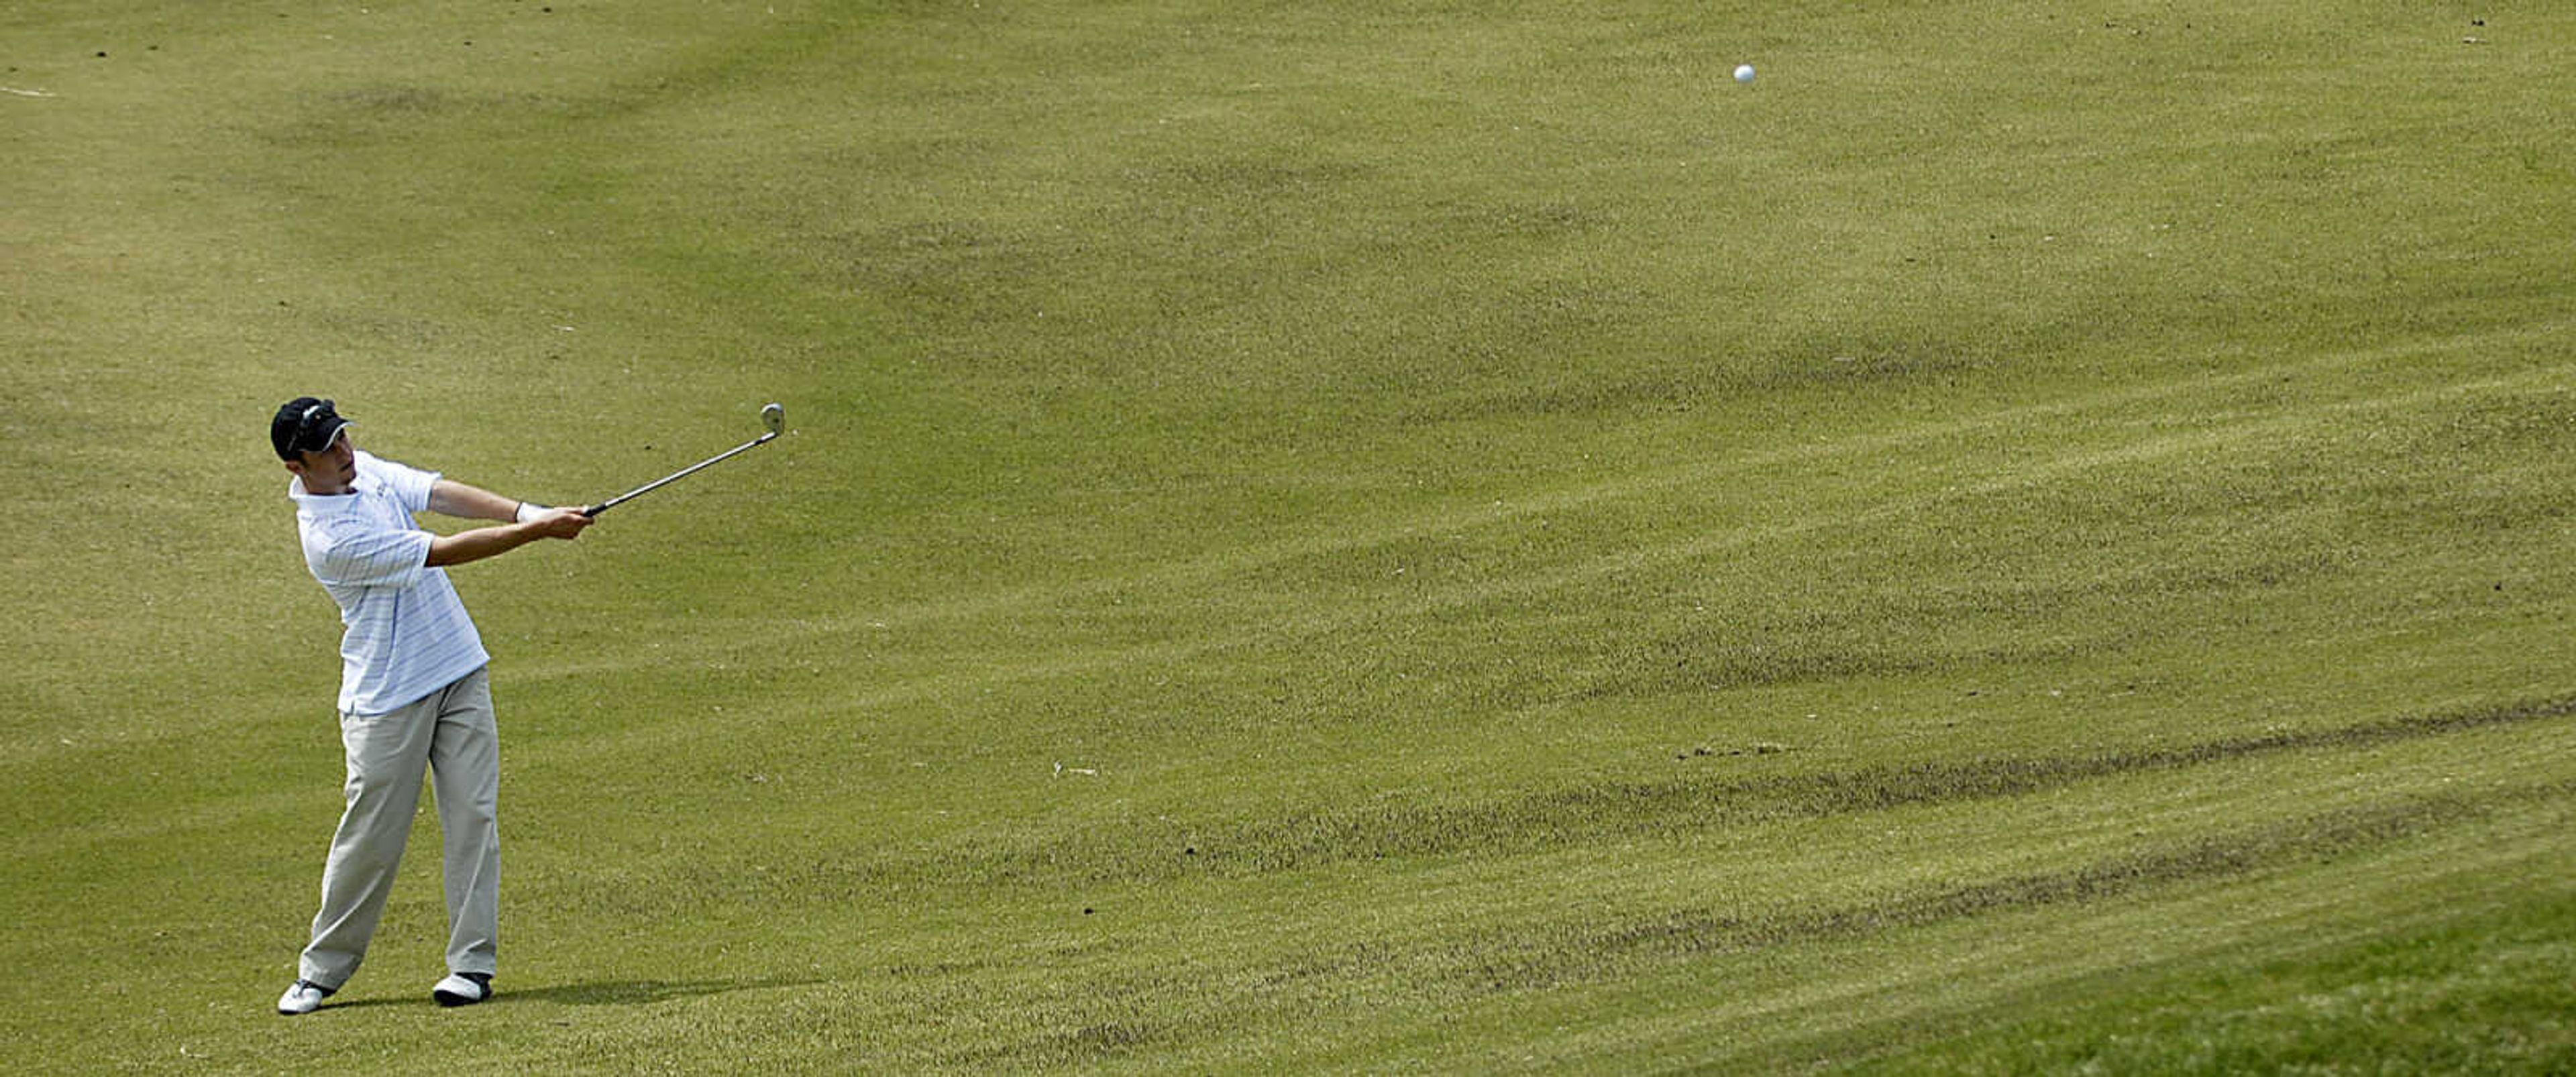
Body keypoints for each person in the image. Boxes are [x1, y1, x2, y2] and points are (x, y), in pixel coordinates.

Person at [268, 397, 593, 1015]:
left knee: (474, 816)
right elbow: (442, 550)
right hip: (387, 696)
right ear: (296, 466)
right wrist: (537, 533)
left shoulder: (363, 469)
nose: (344, 454)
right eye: (327, 449)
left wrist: (531, 510)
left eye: (343, 439)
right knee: (371, 837)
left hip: (458, 667)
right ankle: (322, 971)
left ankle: (471, 966)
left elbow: (440, 494)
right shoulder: (330, 539)